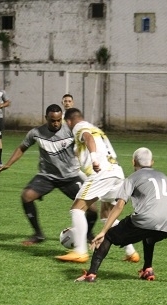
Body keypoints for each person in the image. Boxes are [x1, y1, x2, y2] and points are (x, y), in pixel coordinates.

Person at [76, 147, 167, 282]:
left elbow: (119, 206)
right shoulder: (165, 178)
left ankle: (90, 275)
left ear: (133, 162)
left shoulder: (132, 178)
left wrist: (103, 231)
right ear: (152, 162)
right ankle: (148, 269)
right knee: (149, 236)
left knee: (109, 236)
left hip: (147, 220)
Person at [0, 104, 99, 246]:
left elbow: (87, 138)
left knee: (92, 208)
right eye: (52, 120)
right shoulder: (36, 133)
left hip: (70, 176)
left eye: (58, 120)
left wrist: (93, 157)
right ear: (46, 118)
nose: (56, 123)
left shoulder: (71, 131)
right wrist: (8, 164)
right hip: (47, 176)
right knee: (26, 196)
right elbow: (22, 147)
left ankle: (88, 233)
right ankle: (38, 234)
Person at [55, 108, 138, 263]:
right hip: (116, 173)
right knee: (107, 214)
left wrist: (93, 159)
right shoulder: (96, 129)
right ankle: (131, 252)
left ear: (68, 121)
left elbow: (88, 139)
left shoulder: (79, 127)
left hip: (101, 174)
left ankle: (80, 251)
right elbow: (88, 145)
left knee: (77, 209)